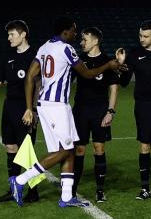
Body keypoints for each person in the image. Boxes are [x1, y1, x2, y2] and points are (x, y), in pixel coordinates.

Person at [9, 17, 122, 207]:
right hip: (56, 106)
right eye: (73, 30)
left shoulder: (44, 47)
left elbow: (29, 76)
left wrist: (30, 107)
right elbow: (87, 73)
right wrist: (108, 66)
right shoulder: (66, 49)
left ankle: (67, 196)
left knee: (65, 149)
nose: (75, 34)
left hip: (48, 104)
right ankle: (20, 181)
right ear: (65, 31)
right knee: (66, 150)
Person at [0, 20, 39, 203]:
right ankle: (13, 190)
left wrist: (32, 110)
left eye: (12, 34)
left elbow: (39, 85)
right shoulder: (8, 56)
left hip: (25, 108)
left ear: (23, 34)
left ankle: (33, 192)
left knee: (26, 151)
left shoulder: (34, 57)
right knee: (10, 148)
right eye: (8, 35)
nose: (9, 38)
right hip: (9, 107)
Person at [116, 20, 151, 200]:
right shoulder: (134, 54)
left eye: (146, 36)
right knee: (145, 145)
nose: (142, 39)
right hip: (143, 106)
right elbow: (124, 82)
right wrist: (121, 64)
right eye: (140, 35)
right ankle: (145, 188)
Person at [72, 27, 120, 203]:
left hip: (100, 110)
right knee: (79, 149)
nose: (81, 42)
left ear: (95, 41)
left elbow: (114, 89)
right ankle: (72, 189)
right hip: (80, 110)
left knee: (99, 148)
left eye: (85, 39)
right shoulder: (79, 60)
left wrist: (110, 111)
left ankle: (100, 190)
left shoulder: (108, 61)